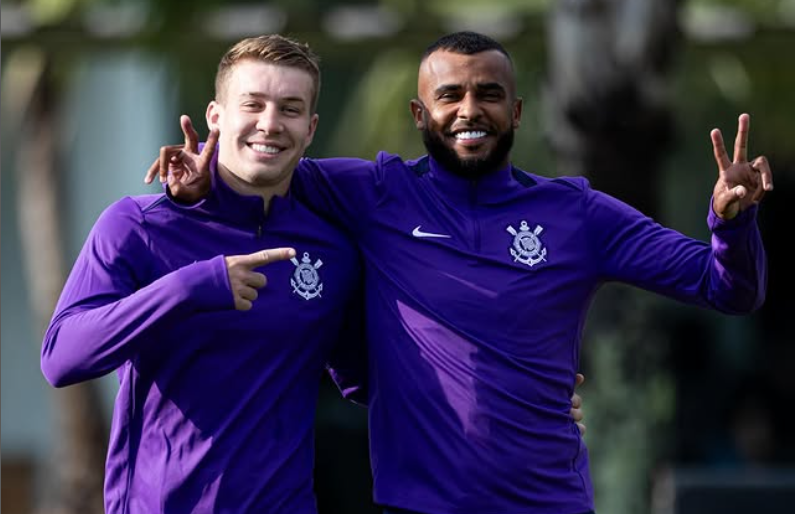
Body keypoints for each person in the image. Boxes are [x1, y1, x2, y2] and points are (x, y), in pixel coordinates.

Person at [148, 32, 770, 514]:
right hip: (416, 506)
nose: (469, 110)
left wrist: (730, 223)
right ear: (421, 114)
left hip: (548, 505)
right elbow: (261, 162)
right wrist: (199, 189)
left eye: (489, 94)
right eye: (450, 95)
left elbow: (727, 288)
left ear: (518, 111)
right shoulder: (374, 192)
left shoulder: (577, 213)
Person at [41, 35, 368, 513]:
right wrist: (191, 287)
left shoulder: (332, 250)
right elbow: (62, 357)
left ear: (312, 127)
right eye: (252, 104)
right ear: (216, 116)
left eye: (290, 108)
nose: (270, 123)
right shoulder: (138, 225)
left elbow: (363, 380)